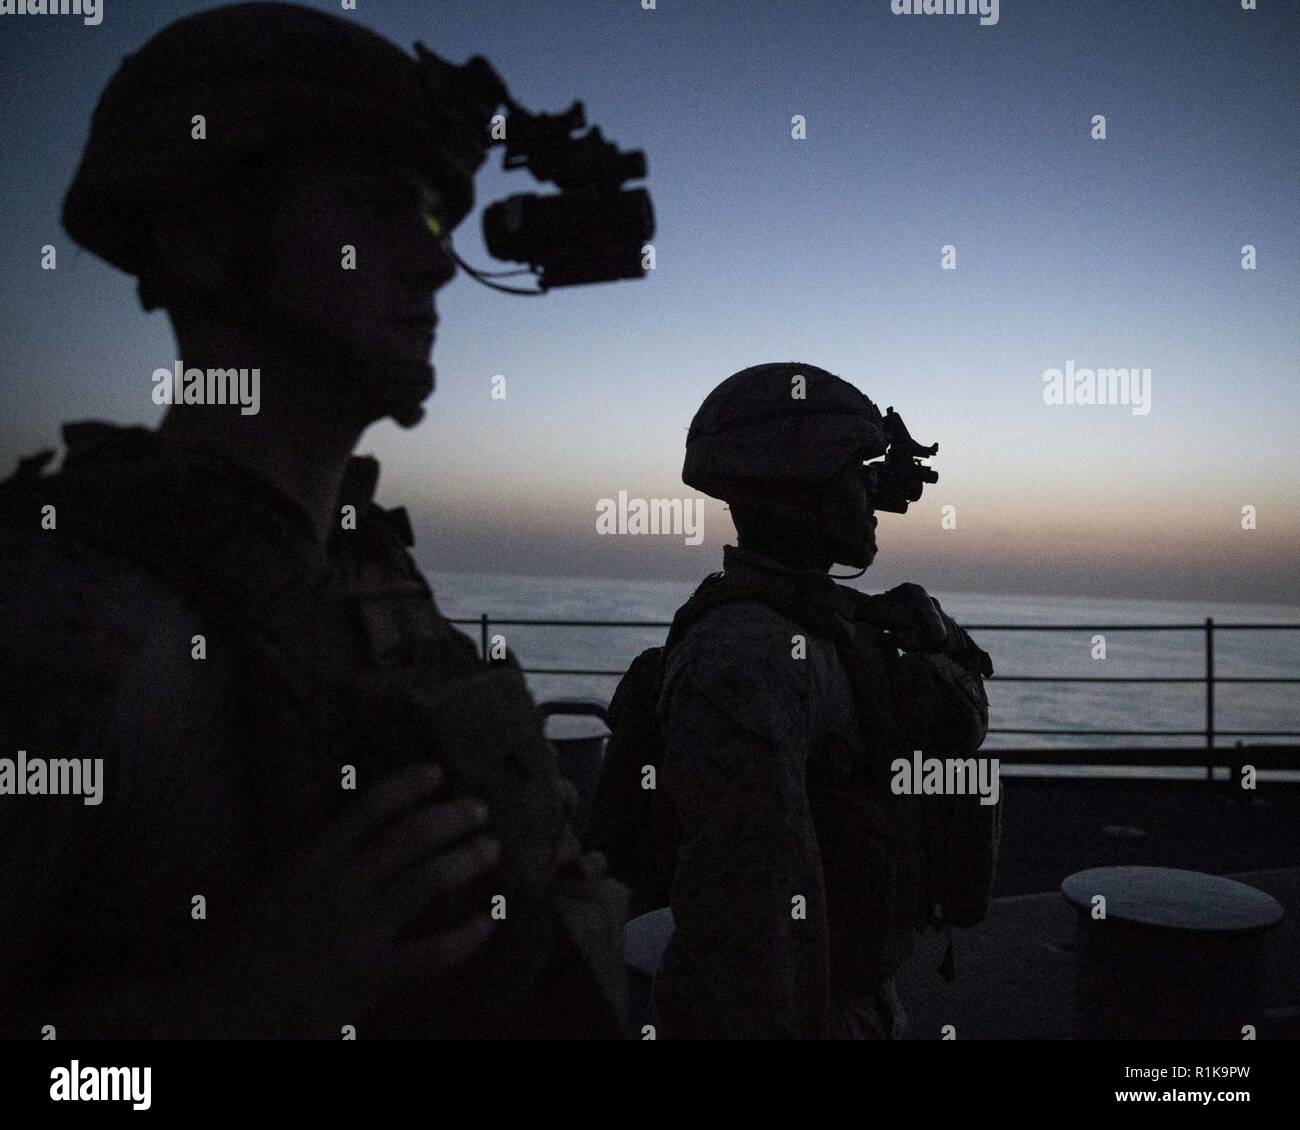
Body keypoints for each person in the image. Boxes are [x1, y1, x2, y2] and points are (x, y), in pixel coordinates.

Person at [0, 2, 623, 1039]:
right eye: (380, 209)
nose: (432, 264)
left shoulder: (363, 575)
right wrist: (232, 1009)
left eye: (432, 222)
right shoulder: (58, 615)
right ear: (203, 237)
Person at [598, 362, 997, 1039]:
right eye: (854, 474)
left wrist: (939, 636)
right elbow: (749, 933)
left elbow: (962, 722)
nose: (872, 497)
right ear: (796, 488)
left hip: (857, 999)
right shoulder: (747, 657)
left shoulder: (834, 621)